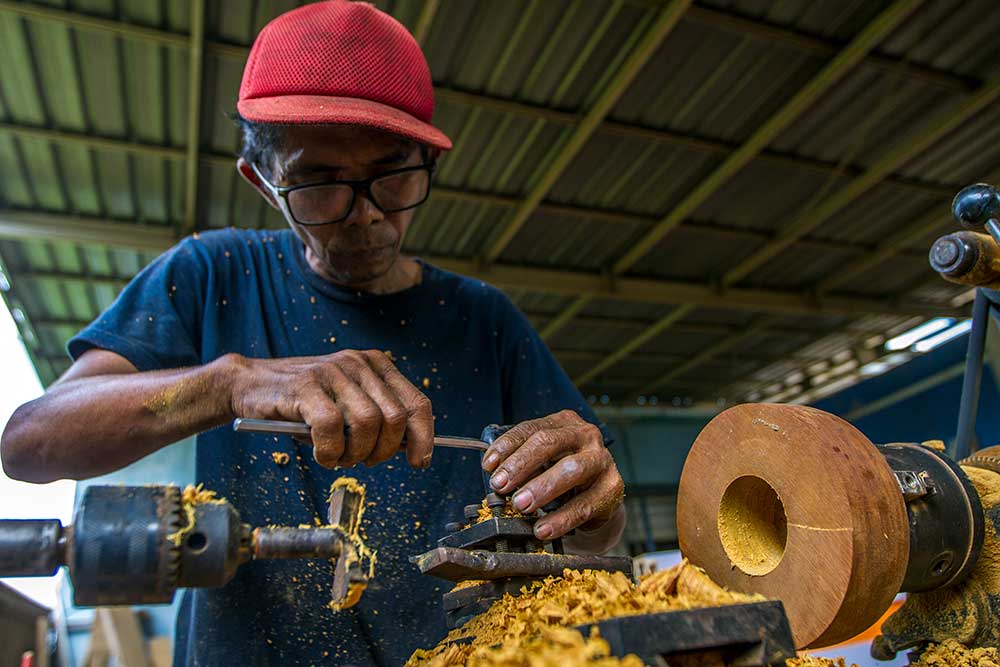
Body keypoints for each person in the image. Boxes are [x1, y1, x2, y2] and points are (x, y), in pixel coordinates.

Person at [0, 2, 625, 664]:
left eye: (393, 173)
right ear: (263, 181)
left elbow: (596, 532)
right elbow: (30, 443)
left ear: (428, 160)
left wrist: (595, 498)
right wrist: (229, 381)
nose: (366, 216)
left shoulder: (486, 320)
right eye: (320, 182)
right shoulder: (212, 274)